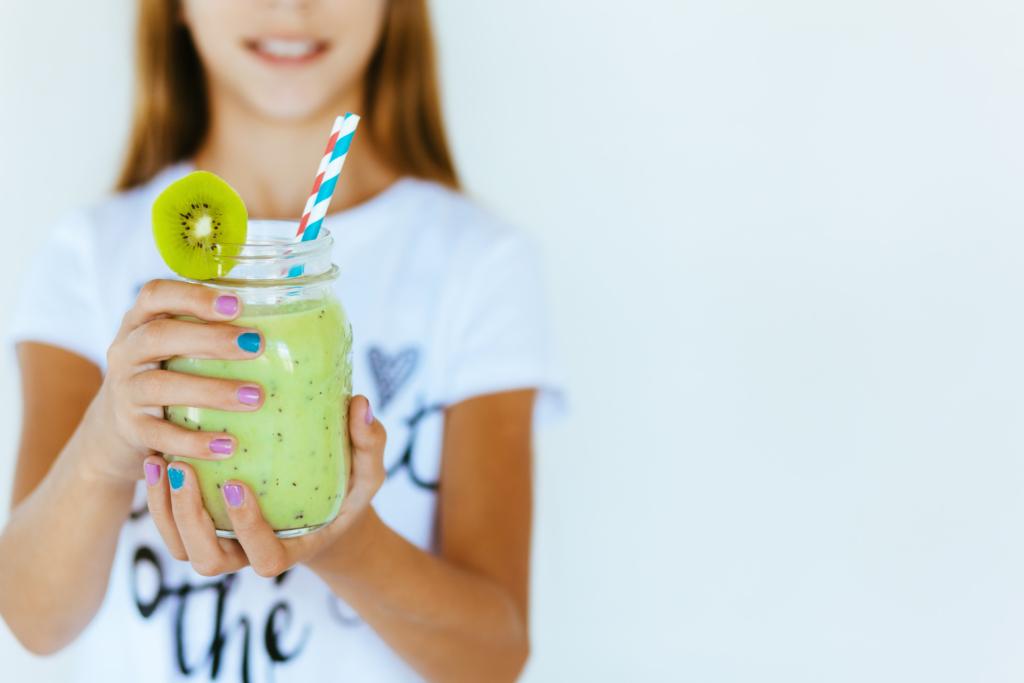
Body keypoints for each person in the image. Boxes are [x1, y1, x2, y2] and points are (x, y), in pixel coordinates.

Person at [0, 1, 563, 681]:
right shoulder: (90, 256)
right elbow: (33, 619)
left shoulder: (480, 264)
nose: (291, 7)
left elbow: (494, 655)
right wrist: (104, 443)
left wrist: (349, 544)